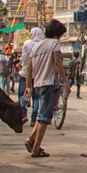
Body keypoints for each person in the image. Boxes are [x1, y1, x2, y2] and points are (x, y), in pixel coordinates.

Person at [22, 19, 70, 158]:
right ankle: (36, 148)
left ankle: (31, 139)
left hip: (38, 84)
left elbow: (29, 68)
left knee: (41, 115)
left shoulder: (36, 47)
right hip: (50, 83)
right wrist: (66, 82)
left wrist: (28, 87)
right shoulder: (54, 43)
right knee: (44, 117)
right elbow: (57, 62)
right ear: (56, 35)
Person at [19, 27, 43, 123]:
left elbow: (24, 58)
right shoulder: (42, 44)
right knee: (36, 97)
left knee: (22, 94)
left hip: (25, 72)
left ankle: (24, 113)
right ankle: (34, 119)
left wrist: (23, 63)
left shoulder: (28, 43)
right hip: (38, 73)